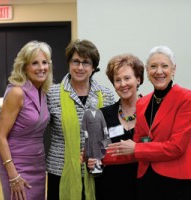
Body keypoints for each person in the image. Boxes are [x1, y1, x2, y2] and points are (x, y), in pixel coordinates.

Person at [106, 46, 191, 200]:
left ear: (173, 69)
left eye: (164, 66)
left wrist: (137, 148)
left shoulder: (185, 97)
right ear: (147, 70)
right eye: (153, 66)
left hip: (178, 183)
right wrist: (99, 156)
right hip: (148, 183)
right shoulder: (143, 103)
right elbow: (135, 149)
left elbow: (176, 147)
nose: (159, 71)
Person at [46, 39, 115, 200]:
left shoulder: (106, 95)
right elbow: (36, 125)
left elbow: (110, 134)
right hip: (61, 170)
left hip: (97, 170)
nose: (80, 67)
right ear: (69, 63)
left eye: (86, 62)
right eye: (75, 61)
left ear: (93, 67)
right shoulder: (51, 94)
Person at [0, 41, 53, 200]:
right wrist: (13, 175)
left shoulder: (43, 91)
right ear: (24, 67)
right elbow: (0, 137)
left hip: (38, 164)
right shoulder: (17, 92)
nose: (41, 68)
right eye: (35, 63)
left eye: (44, 63)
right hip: (16, 165)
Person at [87, 53, 144, 200]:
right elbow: (94, 167)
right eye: (117, 80)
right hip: (110, 190)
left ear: (138, 79)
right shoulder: (102, 115)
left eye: (127, 78)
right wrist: (92, 164)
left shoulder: (151, 112)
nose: (122, 84)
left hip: (145, 188)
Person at [82, 98, 109, 175]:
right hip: (91, 134)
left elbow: (103, 122)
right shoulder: (86, 113)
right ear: (90, 103)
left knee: (99, 148)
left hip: (99, 133)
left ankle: (99, 165)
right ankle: (93, 166)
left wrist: (105, 129)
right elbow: (84, 123)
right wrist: (85, 131)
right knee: (92, 148)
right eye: (92, 102)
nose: (94, 104)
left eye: (95, 102)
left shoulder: (99, 112)